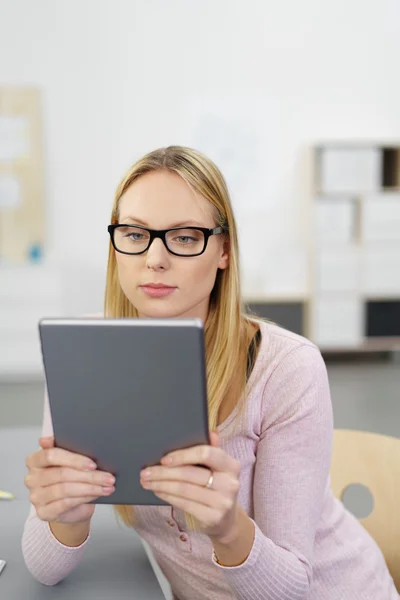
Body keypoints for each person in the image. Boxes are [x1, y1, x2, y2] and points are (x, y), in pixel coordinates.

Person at [22, 146, 398, 600]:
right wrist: (66, 513)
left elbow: (292, 589)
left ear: (223, 251)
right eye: (135, 234)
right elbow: (44, 569)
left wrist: (227, 528)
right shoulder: (85, 357)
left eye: (183, 237)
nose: (154, 259)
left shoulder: (286, 368)